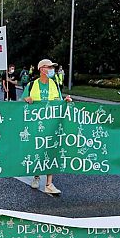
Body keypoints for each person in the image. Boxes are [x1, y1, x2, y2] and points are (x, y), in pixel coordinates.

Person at [22, 59, 73, 196]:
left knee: (51, 150)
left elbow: (58, 102)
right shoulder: (32, 85)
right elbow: (21, 103)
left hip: (51, 124)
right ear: (41, 69)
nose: (52, 69)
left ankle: (49, 184)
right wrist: (26, 99)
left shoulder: (54, 84)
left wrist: (65, 101)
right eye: (49, 67)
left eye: (52, 67)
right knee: (38, 150)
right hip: (36, 125)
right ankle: (36, 175)